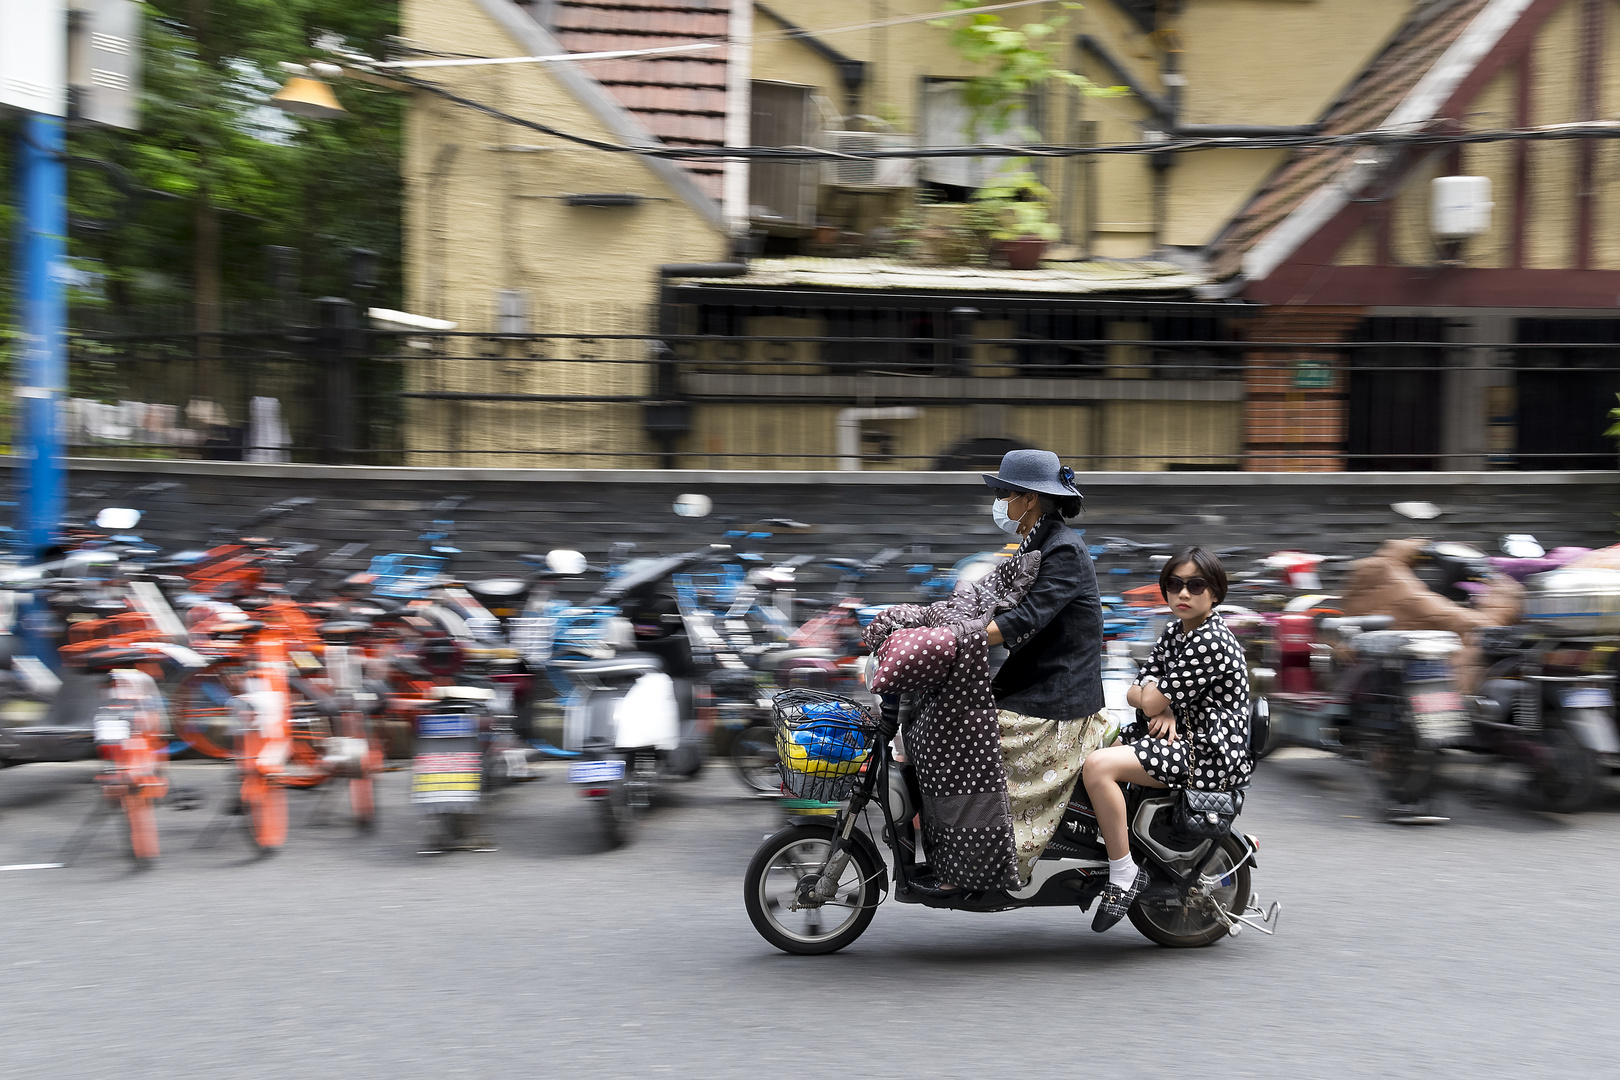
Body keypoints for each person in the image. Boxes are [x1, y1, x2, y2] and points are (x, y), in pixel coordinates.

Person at [1081, 546, 1251, 932]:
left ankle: (1123, 873)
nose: (1183, 593)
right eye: (1175, 584)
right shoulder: (1178, 631)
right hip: (1180, 740)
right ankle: (1109, 845)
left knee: (1098, 767)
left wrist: (1158, 701)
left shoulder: (1211, 641)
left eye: (1195, 585)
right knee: (1087, 748)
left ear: (1216, 592)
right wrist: (1161, 704)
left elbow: (1148, 694)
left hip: (1204, 753)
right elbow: (1134, 690)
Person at [974, 448, 1108, 888]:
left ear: (1028, 499)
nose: (1000, 503)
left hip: (1060, 700)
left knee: (971, 738)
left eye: (1005, 493)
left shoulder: (1063, 549)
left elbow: (1025, 618)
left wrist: (960, 639)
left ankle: (993, 858)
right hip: (1036, 685)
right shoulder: (1034, 543)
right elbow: (988, 602)